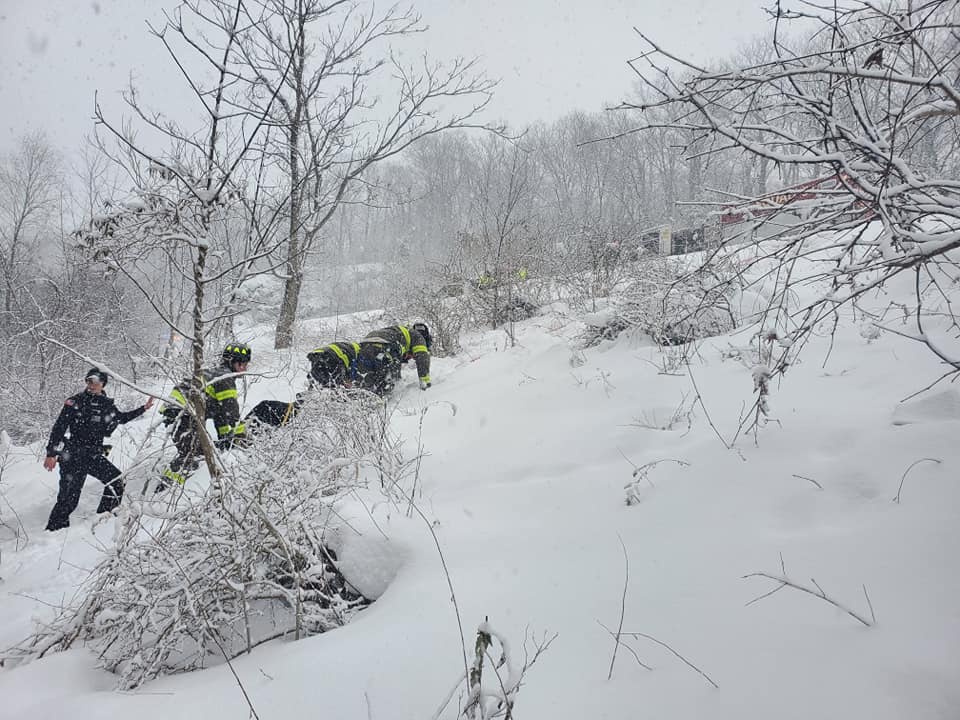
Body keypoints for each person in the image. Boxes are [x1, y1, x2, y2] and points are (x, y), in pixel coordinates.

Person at [42, 367, 154, 531]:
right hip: (73, 455)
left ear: (103, 384)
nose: (91, 385)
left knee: (116, 481)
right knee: (68, 499)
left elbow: (121, 418)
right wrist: (51, 453)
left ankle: (104, 518)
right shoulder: (75, 402)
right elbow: (59, 428)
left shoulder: (106, 404)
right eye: (89, 381)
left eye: (95, 382)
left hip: (93, 455)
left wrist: (143, 408)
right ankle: (54, 531)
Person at [157, 342, 250, 490]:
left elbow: (221, 416)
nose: (245, 369)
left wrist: (226, 439)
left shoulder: (214, 373)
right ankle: (165, 491)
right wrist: (242, 439)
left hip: (176, 412)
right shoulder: (225, 378)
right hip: (183, 413)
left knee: (195, 451)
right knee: (195, 454)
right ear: (234, 362)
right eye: (243, 364)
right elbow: (231, 414)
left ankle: (170, 488)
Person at [356, 323, 432, 395]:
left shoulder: (399, 332)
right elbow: (422, 357)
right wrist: (425, 381)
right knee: (393, 380)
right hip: (385, 344)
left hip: (365, 344)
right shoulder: (419, 337)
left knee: (371, 377)